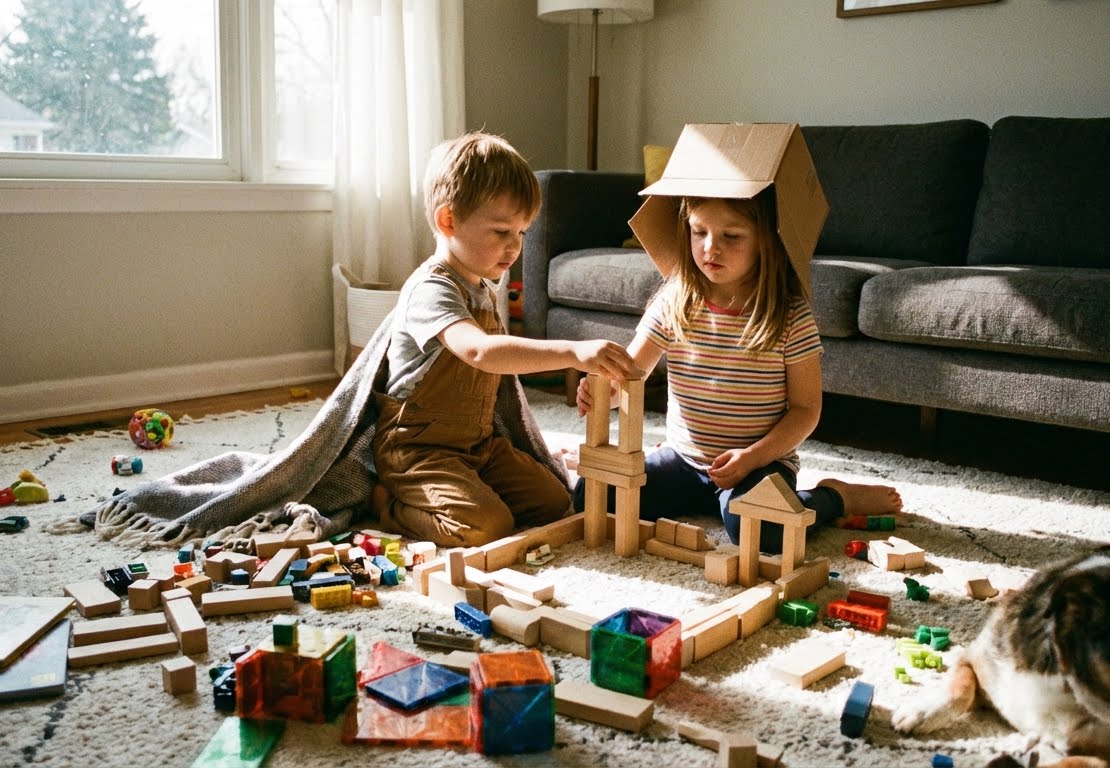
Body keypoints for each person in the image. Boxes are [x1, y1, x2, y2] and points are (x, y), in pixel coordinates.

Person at [575, 192, 901, 553]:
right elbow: (629, 373)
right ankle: (710, 501)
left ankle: (832, 496)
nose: (710, 248)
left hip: (759, 463)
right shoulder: (675, 299)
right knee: (588, 497)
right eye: (699, 232)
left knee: (767, 534)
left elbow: (806, 410)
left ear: (766, 239)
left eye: (731, 236)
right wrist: (606, 392)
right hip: (685, 460)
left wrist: (754, 457)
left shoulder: (789, 315)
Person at [370, 132, 640, 548]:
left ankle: (468, 487)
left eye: (523, 233)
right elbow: (478, 351)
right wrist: (572, 351)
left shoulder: (481, 285)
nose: (514, 247)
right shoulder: (432, 288)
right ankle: (389, 505)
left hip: (478, 445)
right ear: (448, 221)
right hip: (419, 449)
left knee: (554, 499)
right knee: (485, 526)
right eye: (501, 231)